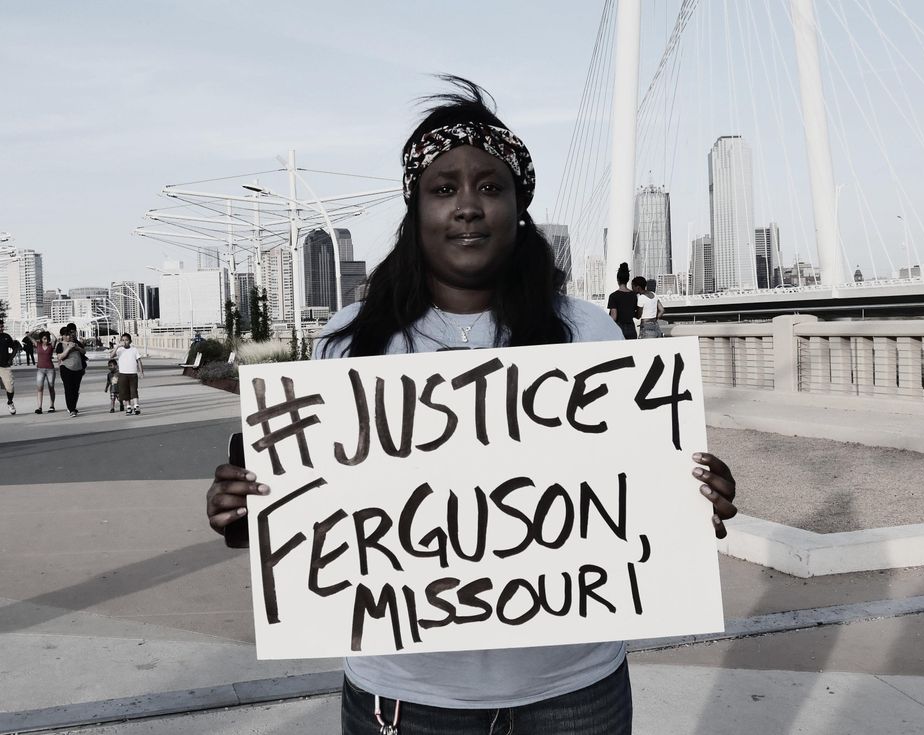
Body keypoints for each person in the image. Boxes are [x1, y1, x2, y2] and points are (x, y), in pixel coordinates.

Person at [206, 77, 737, 735]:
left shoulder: (588, 333)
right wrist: (245, 513)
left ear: (519, 208)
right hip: (406, 699)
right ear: (415, 209)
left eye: (490, 187)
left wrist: (693, 495)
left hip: (574, 694)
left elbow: (635, 495)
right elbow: (312, 516)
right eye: (443, 188)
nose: (467, 206)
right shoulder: (347, 342)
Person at [55, 326, 86, 417]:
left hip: (78, 369)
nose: (68, 337)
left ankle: (73, 407)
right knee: (68, 389)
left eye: (69, 335)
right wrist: (68, 348)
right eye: (66, 335)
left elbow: (84, 352)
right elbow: (60, 357)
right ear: (63, 336)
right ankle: (71, 409)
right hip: (66, 369)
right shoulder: (60, 345)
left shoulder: (76, 343)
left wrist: (77, 348)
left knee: (75, 390)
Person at [112, 332, 144, 415]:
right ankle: (128, 407)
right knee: (125, 391)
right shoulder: (120, 350)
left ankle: (136, 406)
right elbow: (111, 356)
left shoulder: (134, 350)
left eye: (126, 340)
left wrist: (141, 372)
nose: (124, 342)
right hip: (122, 374)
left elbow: (139, 361)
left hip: (133, 373)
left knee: (134, 390)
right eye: (123, 340)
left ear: (130, 341)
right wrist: (117, 346)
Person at [607, 262, 638, 339]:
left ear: (618, 280)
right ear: (627, 280)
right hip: (631, 328)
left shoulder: (613, 296)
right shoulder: (633, 295)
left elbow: (614, 317)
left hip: (619, 328)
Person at [34, 331, 57, 414]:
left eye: (47, 339)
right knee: (39, 388)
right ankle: (39, 407)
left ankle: (52, 406)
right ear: (41, 339)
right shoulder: (38, 345)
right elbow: (28, 336)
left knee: (51, 387)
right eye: (44, 339)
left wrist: (50, 331)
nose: (46, 341)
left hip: (50, 369)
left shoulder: (51, 346)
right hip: (40, 369)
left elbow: (55, 339)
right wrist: (35, 330)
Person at [0, 319, 17, 415]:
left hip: (4, 366)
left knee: (10, 388)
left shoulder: (6, 337)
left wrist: (10, 359)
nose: (1, 328)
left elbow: (15, 347)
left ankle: (10, 402)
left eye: (2, 326)